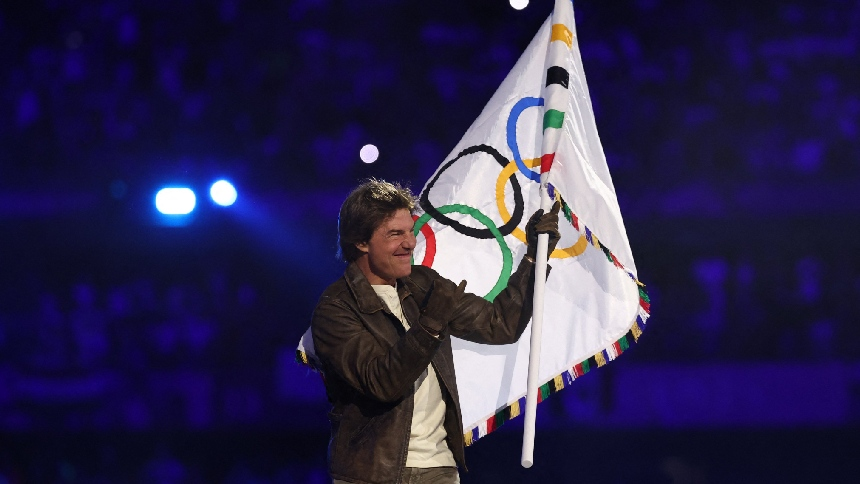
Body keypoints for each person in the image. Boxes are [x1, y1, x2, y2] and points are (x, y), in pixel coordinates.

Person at [311, 178, 560, 484]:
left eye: (410, 232)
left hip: (439, 468)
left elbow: (501, 325)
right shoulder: (335, 308)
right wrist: (429, 326)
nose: (410, 243)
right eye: (395, 234)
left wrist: (535, 257)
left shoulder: (424, 284)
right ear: (361, 242)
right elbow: (382, 383)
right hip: (371, 474)